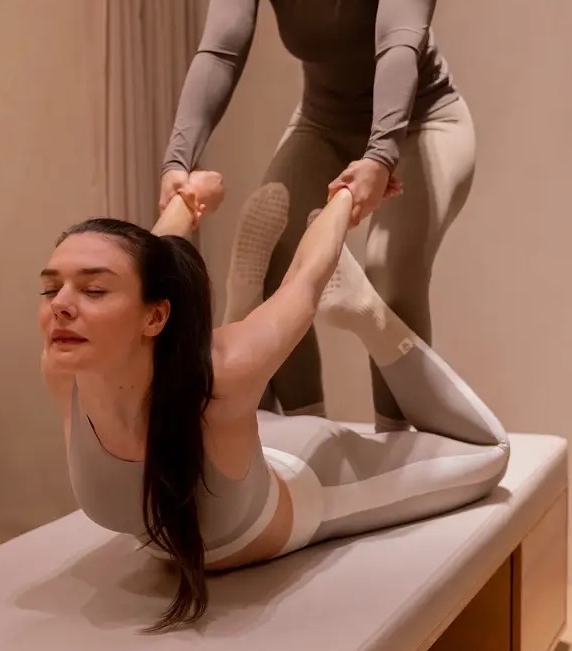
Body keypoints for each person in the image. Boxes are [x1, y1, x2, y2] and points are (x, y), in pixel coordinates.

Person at [39, 170, 509, 633]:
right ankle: (243, 301)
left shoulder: (224, 374)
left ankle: (364, 311)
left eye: (92, 290)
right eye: (50, 287)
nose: (60, 304)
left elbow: (303, 280)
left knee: (490, 454)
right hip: (240, 434)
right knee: (226, 374)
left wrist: (347, 195)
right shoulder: (65, 368)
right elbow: (151, 266)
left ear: (155, 317)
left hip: (303, 477)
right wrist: (189, 198)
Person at [158, 0, 476, 432]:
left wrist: (381, 154)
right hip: (323, 123)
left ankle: (403, 443)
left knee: (386, 269)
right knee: (266, 249)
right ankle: (305, 433)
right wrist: (178, 161)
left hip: (421, 125)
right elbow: (219, 53)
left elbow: (398, 41)